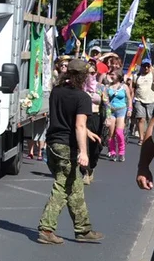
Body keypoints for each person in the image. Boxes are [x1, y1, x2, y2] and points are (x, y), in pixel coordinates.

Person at [37, 59, 104, 244]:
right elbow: (79, 125)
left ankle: (83, 229)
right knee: (62, 186)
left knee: (75, 186)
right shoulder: (82, 98)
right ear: (82, 76)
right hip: (67, 146)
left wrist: (88, 132)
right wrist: (84, 152)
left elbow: (65, 119)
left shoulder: (56, 92)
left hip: (53, 144)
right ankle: (46, 229)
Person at [105, 71, 131, 163]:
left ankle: (121, 152)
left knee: (119, 132)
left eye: (113, 74)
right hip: (111, 111)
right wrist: (107, 114)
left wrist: (130, 109)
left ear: (119, 76)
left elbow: (129, 98)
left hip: (122, 110)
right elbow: (105, 100)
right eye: (111, 74)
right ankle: (112, 152)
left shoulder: (124, 87)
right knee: (111, 133)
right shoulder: (108, 87)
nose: (111, 76)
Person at [132, 61, 154, 143]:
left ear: (150, 66)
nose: (146, 68)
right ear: (141, 66)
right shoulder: (137, 76)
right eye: (144, 66)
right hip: (139, 100)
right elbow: (133, 87)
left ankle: (149, 137)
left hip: (151, 100)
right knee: (141, 119)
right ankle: (141, 138)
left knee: (150, 120)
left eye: (148, 66)